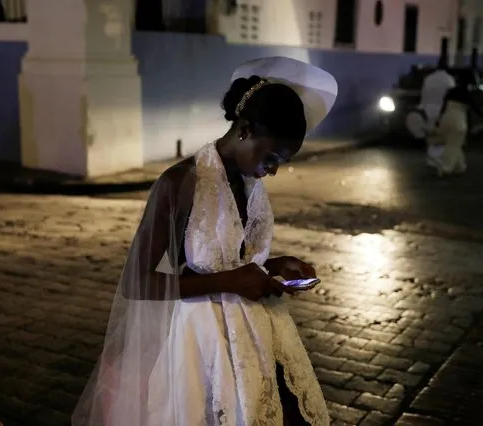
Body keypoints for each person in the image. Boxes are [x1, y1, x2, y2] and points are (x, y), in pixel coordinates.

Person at [72, 57, 338, 426]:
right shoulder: (179, 183)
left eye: (283, 162)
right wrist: (231, 282)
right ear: (243, 130)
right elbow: (137, 281)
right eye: (272, 157)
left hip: (263, 333)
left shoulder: (249, 181)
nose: (274, 170)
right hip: (204, 342)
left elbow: (233, 257)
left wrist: (272, 266)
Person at [430, 85, 483, 177]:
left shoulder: (450, 92)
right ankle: (445, 168)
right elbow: (475, 107)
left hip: (446, 118)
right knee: (453, 145)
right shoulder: (466, 94)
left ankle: (459, 167)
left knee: (455, 143)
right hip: (458, 120)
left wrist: (438, 121)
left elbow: (443, 107)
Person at [419, 57, 456, 167]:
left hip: (428, 109)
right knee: (441, 136)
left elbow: (424, 95)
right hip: (441, 110)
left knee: (430, 134)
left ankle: (431, 158)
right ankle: (439, 159)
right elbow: (451, 96)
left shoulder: (429, 78)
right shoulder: (449, 79)